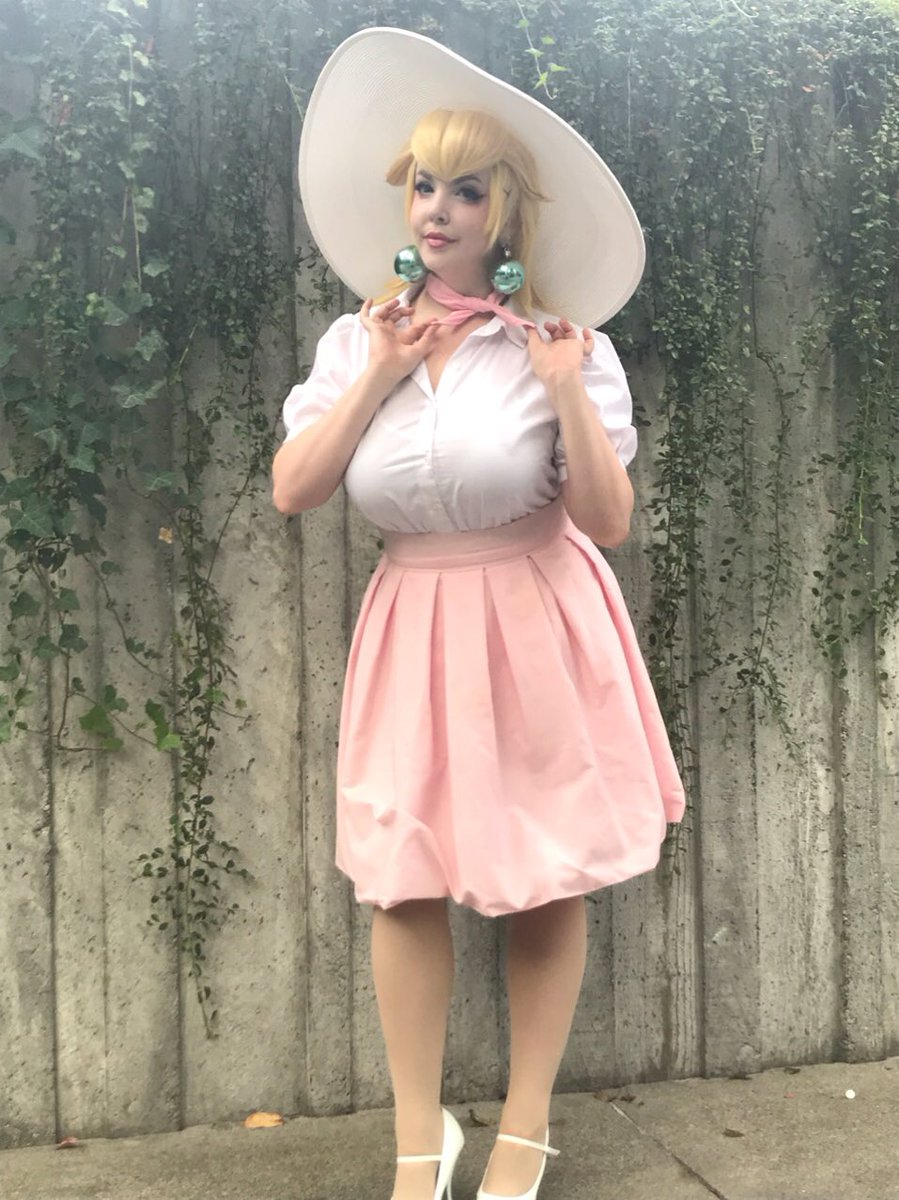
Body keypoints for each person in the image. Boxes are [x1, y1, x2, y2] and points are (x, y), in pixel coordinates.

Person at [271, 28, 685, 1200]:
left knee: (543, 872)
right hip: (411, 624)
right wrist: (377, 375)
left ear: (504, 213)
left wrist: (567, 393)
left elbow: (606, 519)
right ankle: (421, 1142)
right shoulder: (357, 339)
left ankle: (524, 1130)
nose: (437, 209)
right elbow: (293, 488)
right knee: (398, 877)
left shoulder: (561, 348)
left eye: (465, 188)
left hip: (535, 622)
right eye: (422, 184)